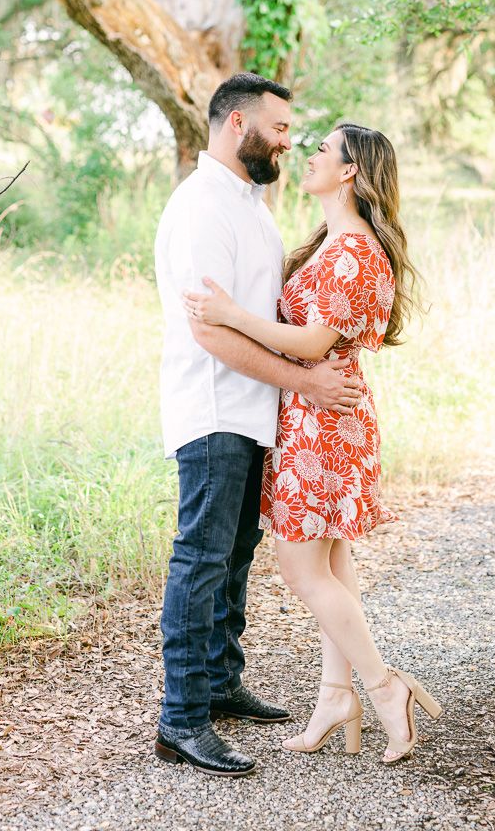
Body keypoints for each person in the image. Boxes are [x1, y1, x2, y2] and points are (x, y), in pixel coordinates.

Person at [184, 122, 442, 764]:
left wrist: (233, 317)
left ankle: (385, 690)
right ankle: (335, 693)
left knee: (302, 569)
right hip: (319, 414)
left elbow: (312, 344)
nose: (309, 154)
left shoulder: (352, 250)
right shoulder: (336, 242)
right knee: (331, 567)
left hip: (321, 420)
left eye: (324, 149)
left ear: (350, 170)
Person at [153, 75, 363, 778]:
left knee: (234, 556)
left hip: (256, 412)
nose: (286, 142)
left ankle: (220, 683)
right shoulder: (200, 209)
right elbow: (209, 333)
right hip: (213, 408)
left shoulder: (251, 204)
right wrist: (306, 381)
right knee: (202, 559)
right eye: (277, 128)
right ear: (236, 122)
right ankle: (182, 719)